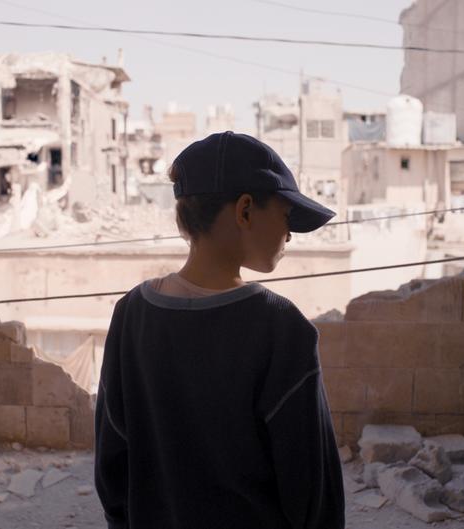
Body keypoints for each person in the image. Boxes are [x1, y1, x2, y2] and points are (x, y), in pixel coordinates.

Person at [94, 131, 345, 529]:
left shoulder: (131, 316)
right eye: (285, 215)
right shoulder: (281, 329)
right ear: (245, 211)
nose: (289, 234)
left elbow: (113, 465)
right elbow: (313, 490)